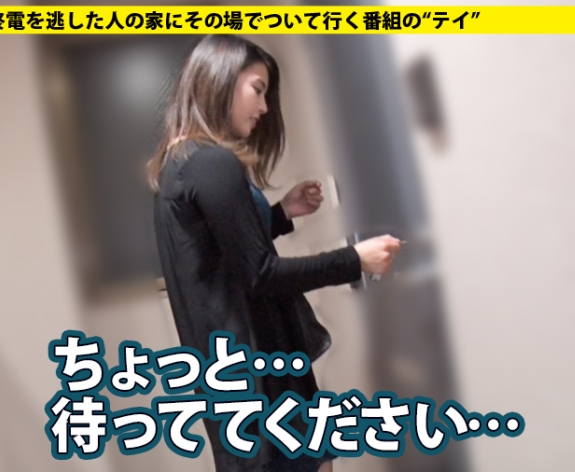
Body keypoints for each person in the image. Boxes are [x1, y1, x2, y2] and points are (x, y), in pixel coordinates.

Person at [148, 35, 402, 472]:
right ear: (221, 81)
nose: (265, 107)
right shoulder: (212, 163)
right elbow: (260, 273)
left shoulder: (182, 161)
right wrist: (354, 260)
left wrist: (281, 213)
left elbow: (220, 254)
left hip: (234, 374)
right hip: (259, 370)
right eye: (258, 89)